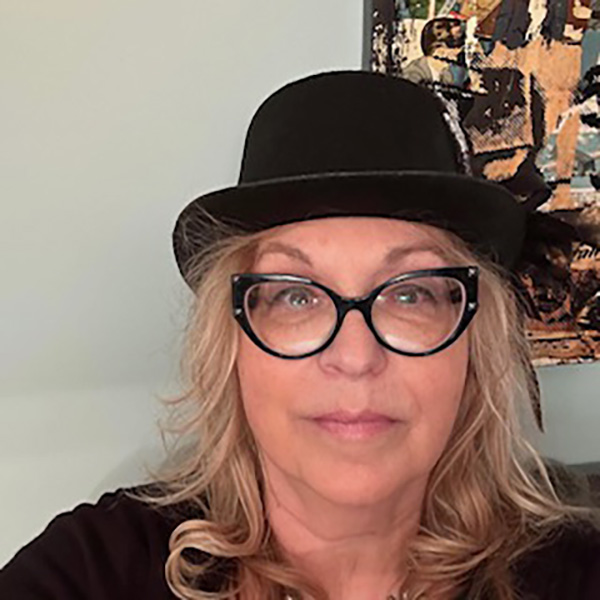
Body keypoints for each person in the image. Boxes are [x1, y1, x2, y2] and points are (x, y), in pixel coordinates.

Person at [1, 70, 599, 600]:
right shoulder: (91, 571)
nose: (356, 356)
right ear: (231, 345)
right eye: (296, 296)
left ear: (473, 342)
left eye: (411, 293)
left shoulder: (576, 573)